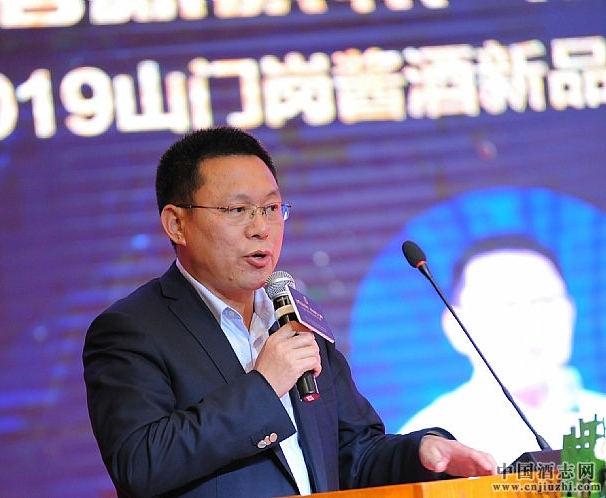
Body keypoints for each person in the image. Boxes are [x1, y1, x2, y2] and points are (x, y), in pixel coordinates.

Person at [82, 126, 496, 498]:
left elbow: (353, 453)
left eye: (270, 208)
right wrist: (264, 386)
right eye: (237, 210)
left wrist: (420, 452)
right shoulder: (131, 330)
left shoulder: (294, 318)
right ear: (176, 224)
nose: (261, 228)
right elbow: (140, 465)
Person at [399, 234, 606, 466]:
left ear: (571, 310)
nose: (530, 321)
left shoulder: (600, 412)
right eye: (506, 306)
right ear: (454, 326)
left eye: (544, 301)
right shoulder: (434, 443)